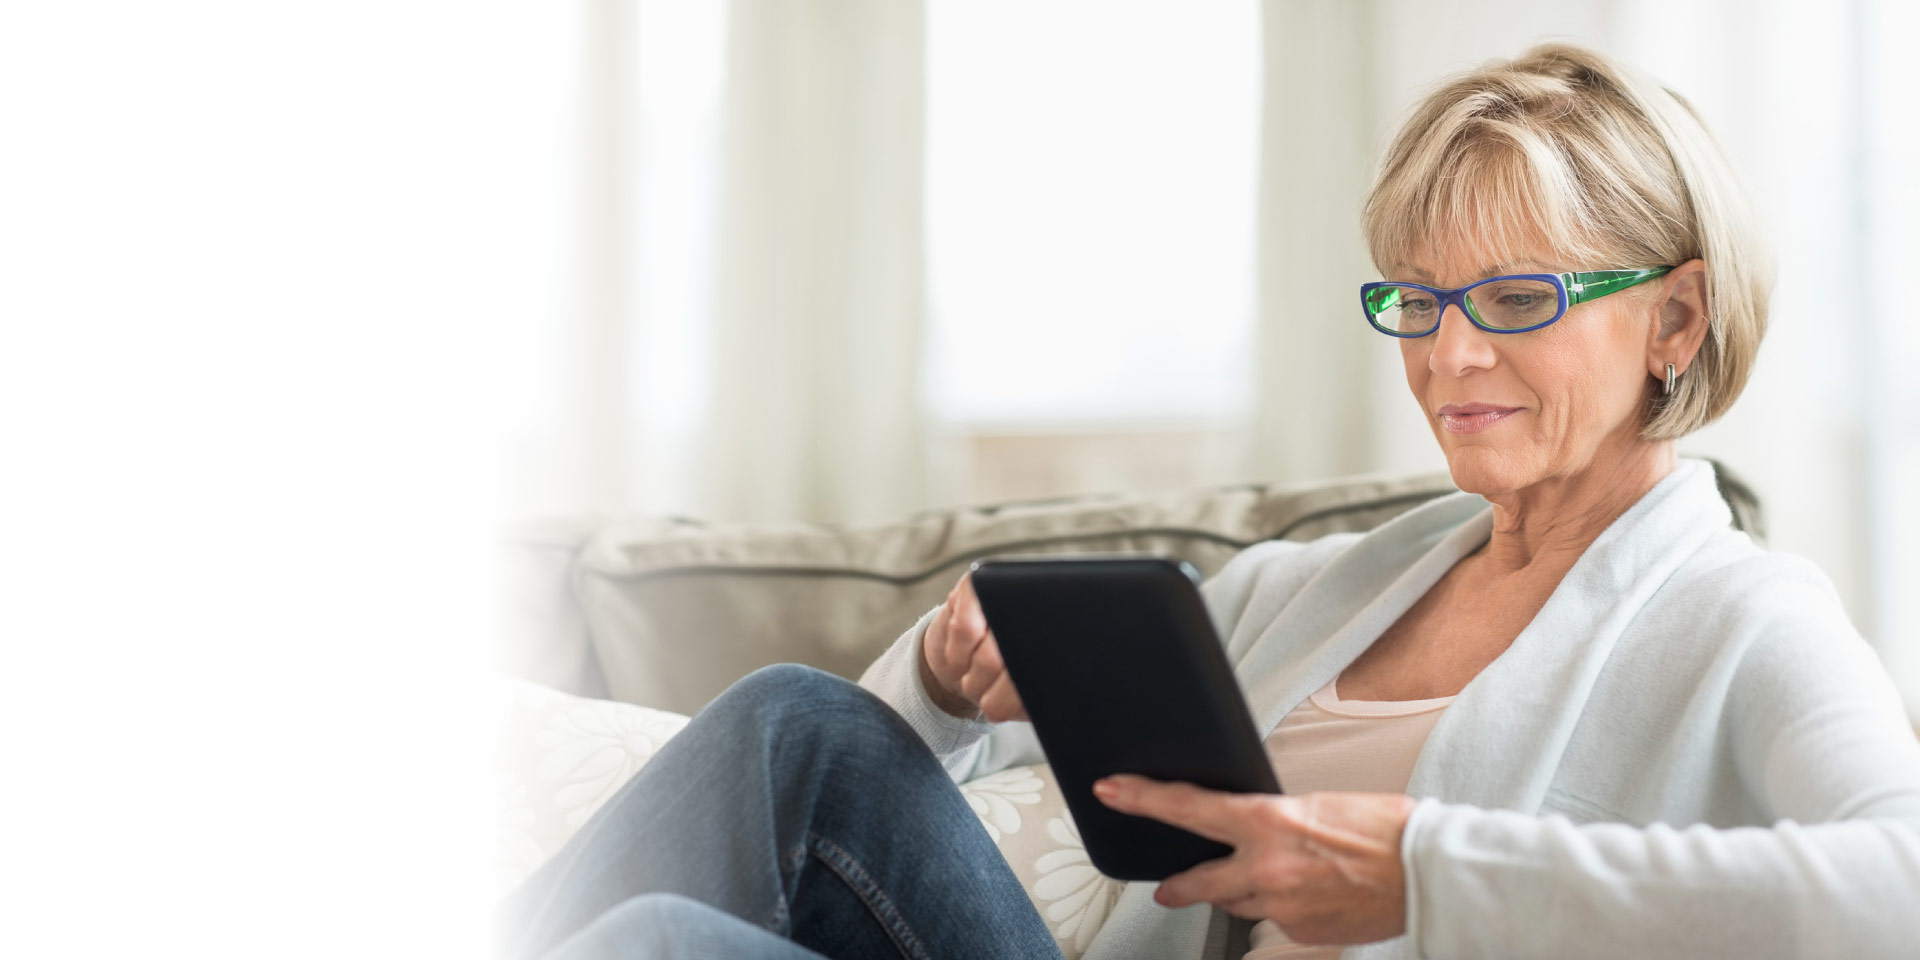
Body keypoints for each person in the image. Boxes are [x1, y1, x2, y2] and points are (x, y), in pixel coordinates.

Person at [498, 42, 1920, 960]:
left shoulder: (1741, 617)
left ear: (1676, 321)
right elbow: (965, 807)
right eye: (1417, 302)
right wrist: (938, 681)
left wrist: (1433, 873)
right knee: (787, 745)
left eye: (1516, 298)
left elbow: (1899, 886)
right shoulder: (1319, 584)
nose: (1451, 353)